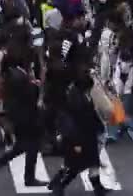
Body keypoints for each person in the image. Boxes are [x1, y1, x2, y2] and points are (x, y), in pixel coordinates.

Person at [0, 44, 47, 187]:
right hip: (25, 116)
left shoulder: (13, 73)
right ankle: (28, 177)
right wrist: (37, 83)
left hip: (19, 115)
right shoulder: (18, 76)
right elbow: (32, 93)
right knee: (31, 145)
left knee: (21, 146)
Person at [47, 67, 111, 196]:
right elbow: (77, 123)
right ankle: (58, 187)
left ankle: (98, 188)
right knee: (75, 166)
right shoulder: (77, 100)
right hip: (80, 138)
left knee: (92, 162)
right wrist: (77, 143)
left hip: (88, 136)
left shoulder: (79, 95)